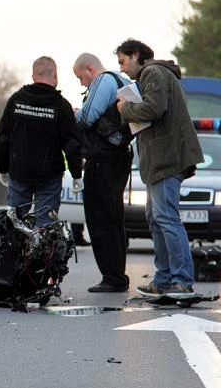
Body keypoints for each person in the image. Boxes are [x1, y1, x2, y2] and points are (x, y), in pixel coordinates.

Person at [115, 39, 203, 296]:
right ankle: (164, 279)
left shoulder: (152, 72)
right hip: (160, 161)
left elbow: (154, 108)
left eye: (122, 61)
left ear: (135, 55)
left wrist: (124, 108)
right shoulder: (155, 74)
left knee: (166, 218)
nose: (122, 69)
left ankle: (182, 281)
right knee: (156, 219)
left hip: (167, 160)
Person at [0, 56, 83, 228]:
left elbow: (3, 137)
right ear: (55, 76)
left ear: (33, 76)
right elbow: (72, 145)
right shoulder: (61, 105)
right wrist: (76, 174)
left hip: (19, 173)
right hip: (49, 177)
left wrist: (3, 167)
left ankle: (17, 254)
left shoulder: (16, 100)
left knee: (15, 224)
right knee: (45, 227)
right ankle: (41, 253)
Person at [73, 53, 133, 292]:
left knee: (100, 219)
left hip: (102, 160)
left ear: (90, 69)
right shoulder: (121, 81)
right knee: (114, 217)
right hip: (119, 157)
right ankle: (117, 274)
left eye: (80, 77)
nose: (81, 83)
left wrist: (73, 112)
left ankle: (113, 277)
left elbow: (87, 119)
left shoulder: (103, 81)